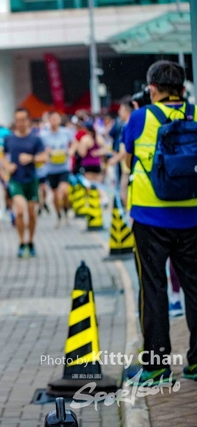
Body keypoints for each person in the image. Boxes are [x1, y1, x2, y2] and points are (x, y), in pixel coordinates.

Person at [123, 60, 197, 385]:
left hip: (150, 218)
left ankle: (156, 368)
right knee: (195, 288)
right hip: (192, 217)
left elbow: (128, 158)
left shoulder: (140, 117)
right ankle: (196, 363)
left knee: (153, 289)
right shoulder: (195, 114)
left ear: (152, 89)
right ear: (182, 88)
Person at [1, 108, 48, 258]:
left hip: (31, 180)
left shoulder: (35, 139)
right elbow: (2, 156)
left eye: (23, 120)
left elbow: (45, 158)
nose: (20, 123)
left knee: (32, 214)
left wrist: (31, 158)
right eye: (17, 120)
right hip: (16, 180)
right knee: (20, 211)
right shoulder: (9, 139)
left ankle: (30, 241)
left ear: (28, 121)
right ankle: (21, 242)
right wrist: (7, 166)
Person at [41, 111, 73, 227]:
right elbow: (40, 150)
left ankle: (66, 210)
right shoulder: (43, 136)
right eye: (52, 119)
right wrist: (46, 153)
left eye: (56, 118)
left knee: (64, 192)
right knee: (55, 196)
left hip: (64, 167)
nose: (54, 121)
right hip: (51, 169)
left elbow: (74, 143)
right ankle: (59, 215)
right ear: (49, 121)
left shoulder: (66, 132)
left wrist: (71, 151)